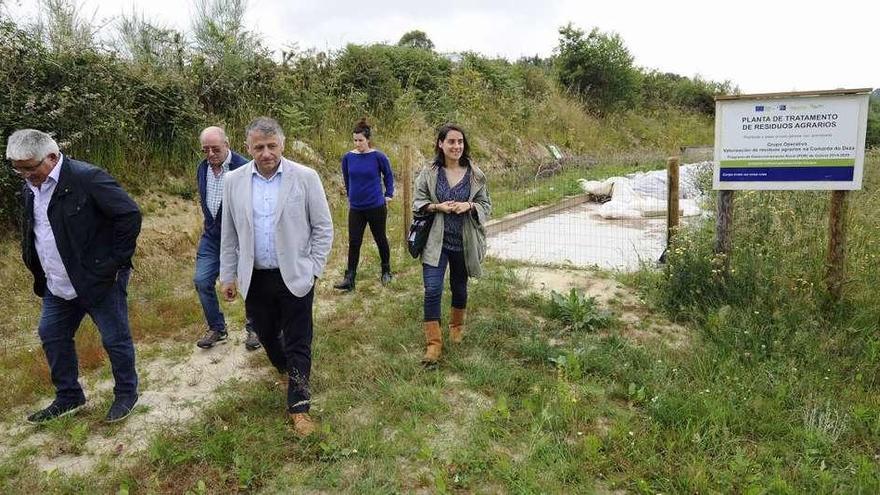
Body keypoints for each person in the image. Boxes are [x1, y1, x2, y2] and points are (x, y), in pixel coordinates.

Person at [8, 129, 142, 423]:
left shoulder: (87, 178)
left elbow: (129, 214)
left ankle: (126, 393)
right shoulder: (30, 186)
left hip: (99, 280)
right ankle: (69, 396)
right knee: (52, 334)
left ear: (52, 156)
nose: (26, 175)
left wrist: (113, 263)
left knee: (114, 338)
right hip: (57, 283)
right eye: (19, 170)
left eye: (31, 168)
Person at [219, 117, 333, 436]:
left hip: (296, 274)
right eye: (259, 147)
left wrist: (314, 268)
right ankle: (286, 369)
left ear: (282, 144)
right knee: (267, 335)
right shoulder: (234, 182)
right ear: (248, 148)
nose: (266, 153)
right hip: (255, 277)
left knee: (299, 340)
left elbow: (323, 227)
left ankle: (299, 407)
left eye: (272, 146)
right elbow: (229, 234)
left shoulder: (306, 177)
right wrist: (228, 275)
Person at [412, 124, 491, 365]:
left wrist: (469, 206)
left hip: (464, 243)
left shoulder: (475, 175)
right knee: (433, 289)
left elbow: (486, 205)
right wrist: (438, 207)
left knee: (459, 287)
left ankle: (456, 328)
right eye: (451, 142)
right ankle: (433, 345)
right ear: (441, 144)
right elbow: (418, 202)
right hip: (436, 242)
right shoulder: (429, 172)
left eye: (460, 142)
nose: (456, 146)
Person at [193, 126, 261, 351]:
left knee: (249, 282)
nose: (211, 154)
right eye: (206, 150)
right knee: (202, 281)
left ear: (227, 144)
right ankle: (217, 327)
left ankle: (255, 328)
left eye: (215, 149)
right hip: (212, 236)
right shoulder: (202, 168)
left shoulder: (245, 167)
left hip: (242, 236)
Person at [333, 118, 394, 291]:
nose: (358, 143)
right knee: (354, 241)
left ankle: (386, 270)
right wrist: (350, 195)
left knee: (380, 237)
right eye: (355, 140)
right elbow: (347, 178)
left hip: (375, 205)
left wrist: (388, 195)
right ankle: (350, 278)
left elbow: (388, 175)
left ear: (368, 140)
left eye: (361, 140)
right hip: (356, 208)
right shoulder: (348, 158)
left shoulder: (378, 156)